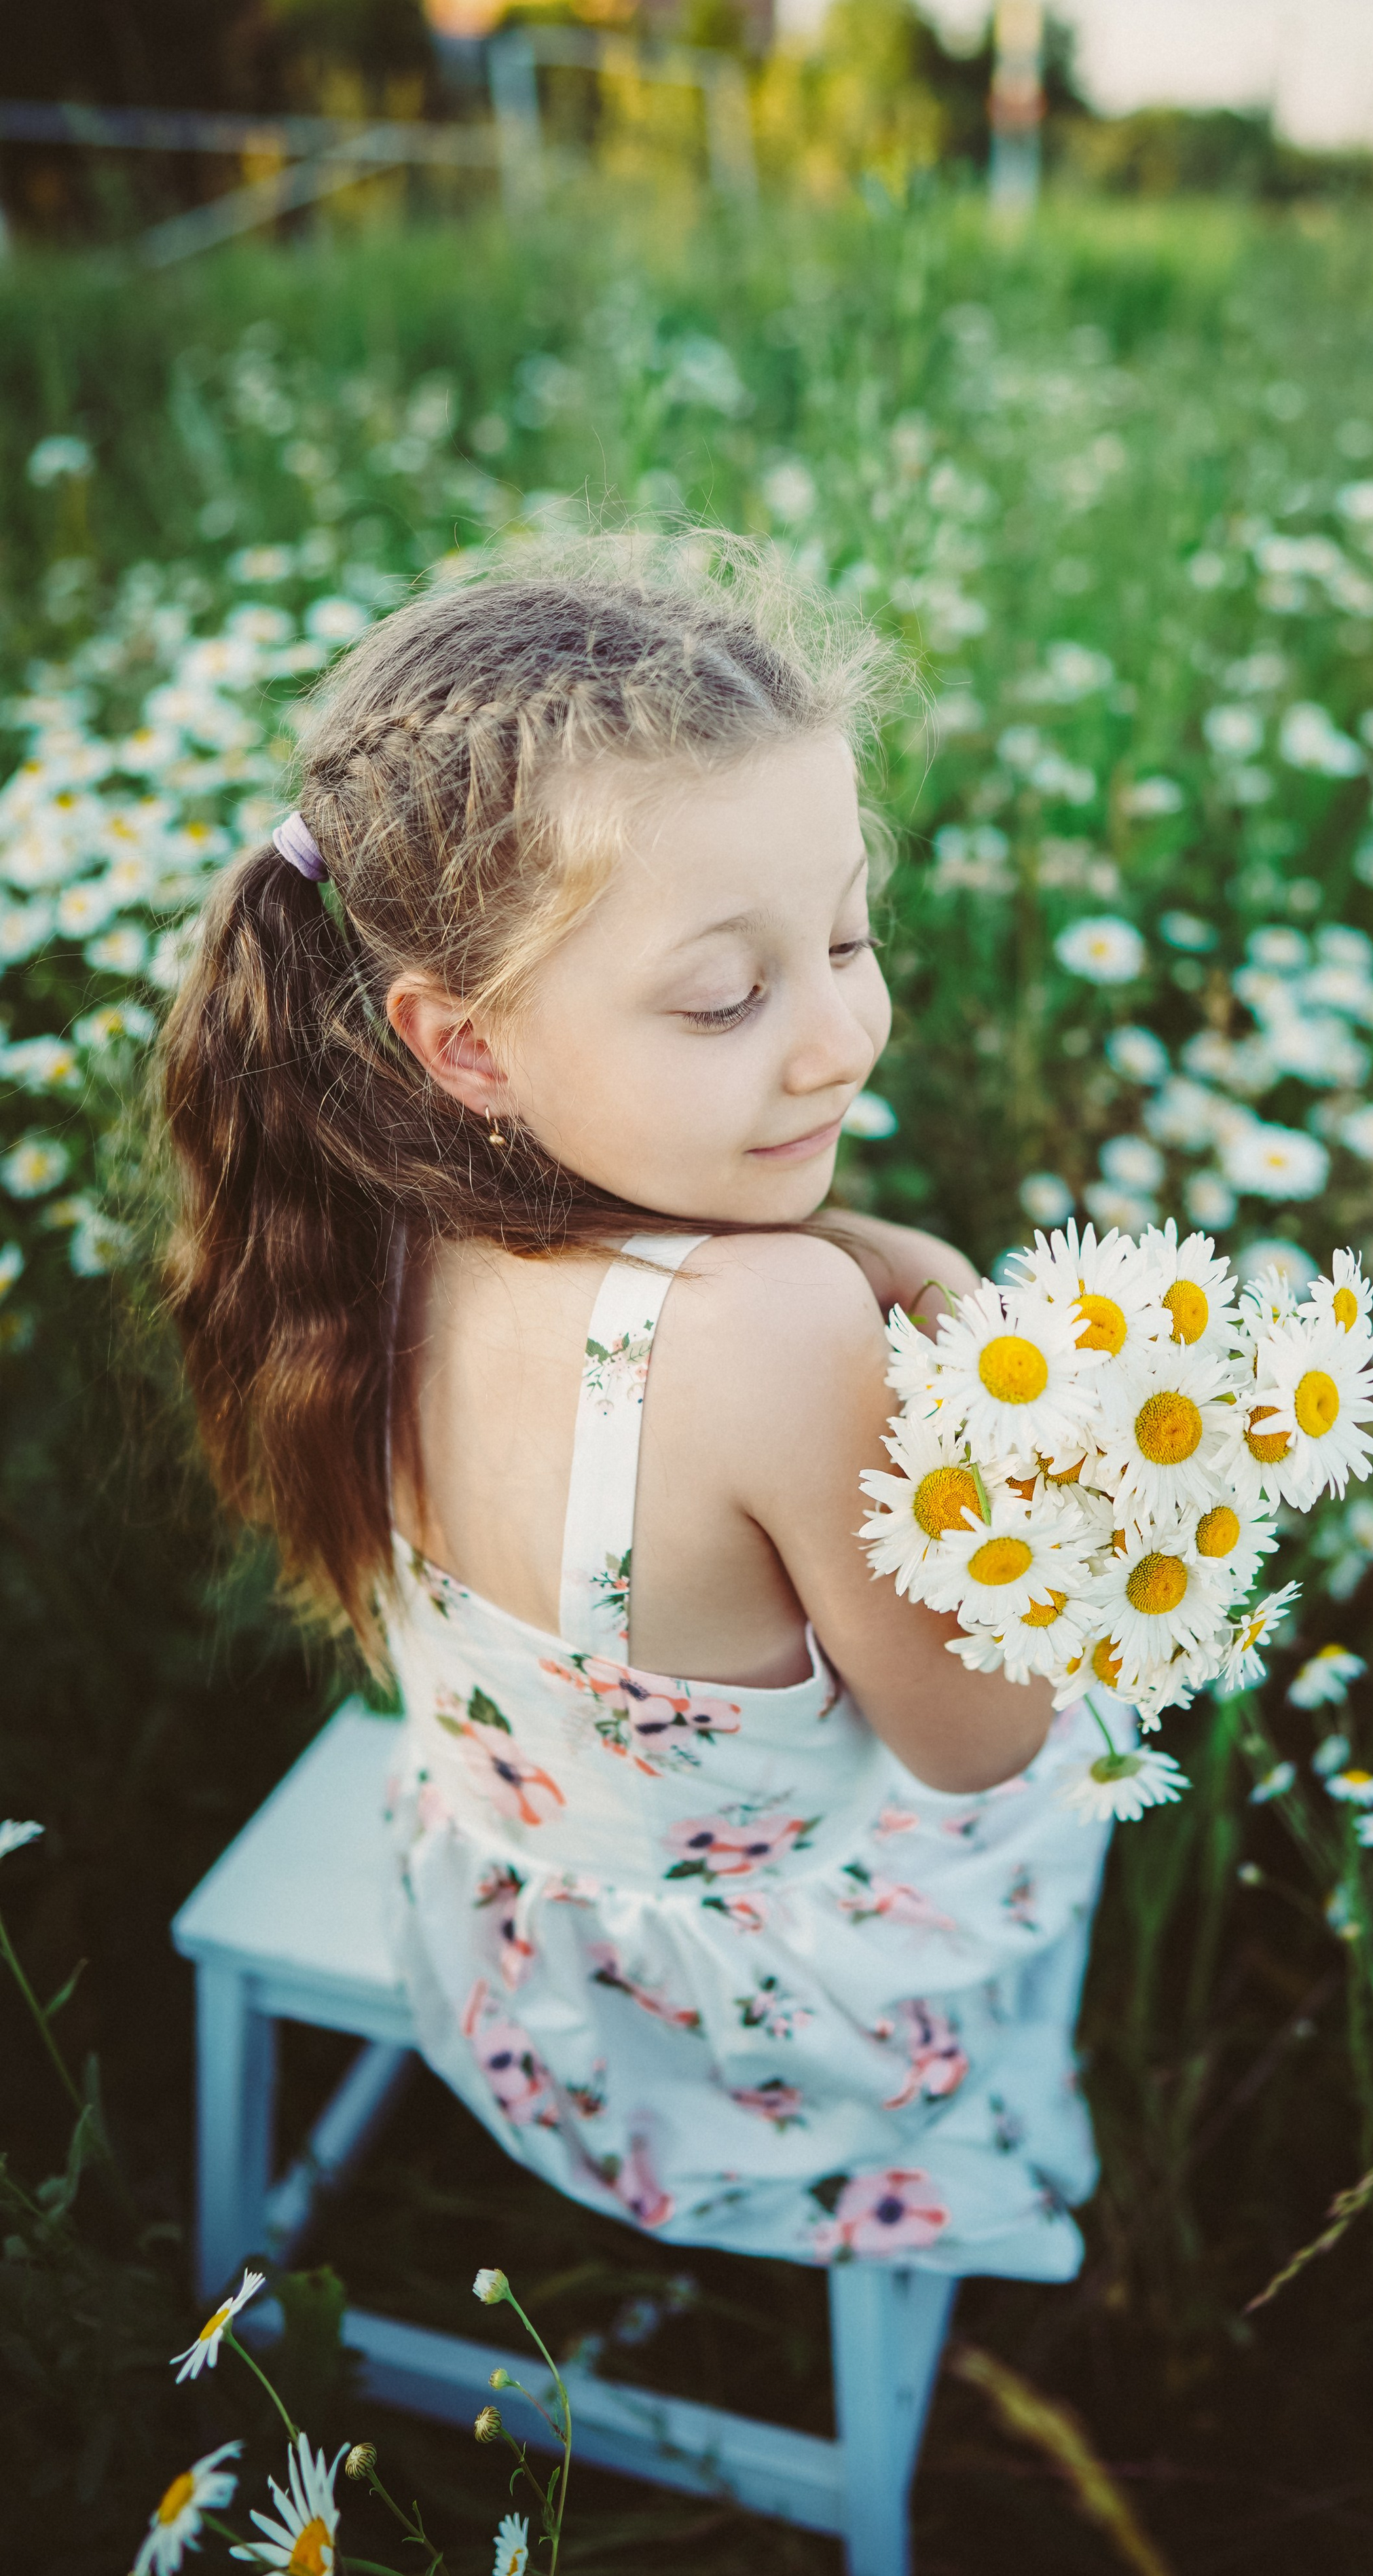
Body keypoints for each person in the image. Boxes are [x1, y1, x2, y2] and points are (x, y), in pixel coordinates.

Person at [159, 533, 1117, 2277]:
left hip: (504, 1935)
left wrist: (852, 1245)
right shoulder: (770, 1332)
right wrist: (985, 1346)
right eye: (726, 996)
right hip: (740, 2043)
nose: (836, 1038)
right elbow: (978, 1743)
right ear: (468, 1045)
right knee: (1108, 1744)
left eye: (844, 934)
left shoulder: (358, 1218)